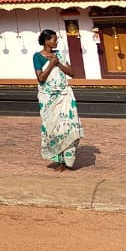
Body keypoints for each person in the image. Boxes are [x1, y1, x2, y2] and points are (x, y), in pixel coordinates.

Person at [33, 29, 82, 171]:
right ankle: (58, 159)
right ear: (46, 41)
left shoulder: (59, 55)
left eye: (56, 39)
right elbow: (41, 78)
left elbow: (72, 73)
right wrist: (51, 64)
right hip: (48, 99)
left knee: (68, 126)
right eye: (54, 39)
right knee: (53, 129)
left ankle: (68, 159)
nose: (56, 42)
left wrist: (58, 63)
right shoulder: (37, 57)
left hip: (64, 96)